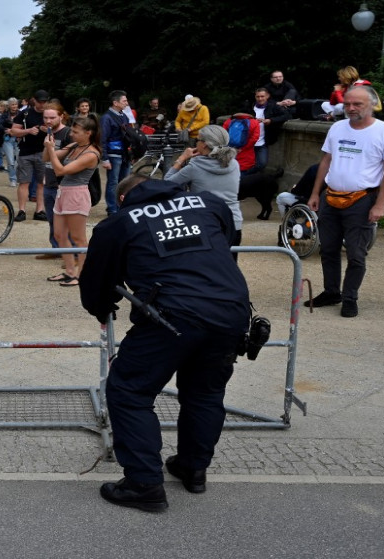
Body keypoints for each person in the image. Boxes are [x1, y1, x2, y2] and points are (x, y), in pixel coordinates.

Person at [80, 174, 250, 513]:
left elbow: (98, 279)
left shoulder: (120, 224)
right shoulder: (210, 204)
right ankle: (193, 468)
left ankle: (144, 483)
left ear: (125, 199)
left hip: (171, 316)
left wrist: (100, 308)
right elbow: (226, 242)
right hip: (231, 309)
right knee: (205, 392)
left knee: (129, 390)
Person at [306, 85, 384, 318]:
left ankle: (350, 298)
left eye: (357, 104)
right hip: (331, 196)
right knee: (328, 248)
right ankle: (331, 292)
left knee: (356, 253)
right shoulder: (337, 127)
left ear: (371, 105)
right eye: (347, 104)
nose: (351, 108)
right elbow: (326, 161)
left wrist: (380, 204)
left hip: (362, 199)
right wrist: (315, 193)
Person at [165, 125, 243, 252]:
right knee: (229, 267)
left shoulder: (194, 167)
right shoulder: (234, 164)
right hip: (233, 222)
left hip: (205, 222)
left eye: (198, 139)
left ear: (205, 144)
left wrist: (182, 158)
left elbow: (167, 183)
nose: (196, 142)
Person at [43, 114, 101, 286]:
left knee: (79, 238)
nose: (71, 134)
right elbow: (46, 158)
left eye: (76, 132)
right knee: (59, 234)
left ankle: (82, 274)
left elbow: (60, 170)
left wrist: (51, 150)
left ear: (88, 133)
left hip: (77, 194)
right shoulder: (74, 145)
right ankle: (70, 271)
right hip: (63, 192)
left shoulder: (91, 153)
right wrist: (49, 147)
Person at [36, 103, 72, 261]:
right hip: (50, 182)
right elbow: (45, 158)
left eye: (52, 117)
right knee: (52, 219)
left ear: (61, 116)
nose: (48, 121)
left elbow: (69, 159)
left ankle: (73, 254)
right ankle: (56, 248)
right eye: (45, 118)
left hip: (64, 184)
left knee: (68, 222)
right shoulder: (49, 134)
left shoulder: (69, 134)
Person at [10, 90, 51, 221]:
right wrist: (28, 131)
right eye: (40, 102)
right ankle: (22, 210)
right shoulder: (25, 113)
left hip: (43, 152)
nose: (42, 104)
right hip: (25, 152)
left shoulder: (49, 114)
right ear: (34, 100)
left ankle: (39, 210)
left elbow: (59, 129)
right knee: (24, 182)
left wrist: (48, 130)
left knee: (42, 183)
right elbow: (13, 131)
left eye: (45, 101)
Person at [237, 88, 290, 175]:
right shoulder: (250, 107)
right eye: (258, 96)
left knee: (261, 164)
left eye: (262, 96)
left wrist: (270, 120)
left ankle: (241, 176)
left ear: (267, 96)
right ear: (255, 97)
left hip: (262, 142)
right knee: (244, 164)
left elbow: (286, 115)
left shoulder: (273, 106)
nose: (260, 99)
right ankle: (243, 179)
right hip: (248, 142)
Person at [99, 90, 134, 216]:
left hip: (125, 154)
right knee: (113, 182)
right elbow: (102, 138)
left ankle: (122, 206)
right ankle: (112, 208)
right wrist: (105, 158)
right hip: (113, 154)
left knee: (125, 182)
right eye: (124, 101)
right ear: (115, 102)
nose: (126, 103)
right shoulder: (106, 118)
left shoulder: (123, 116)